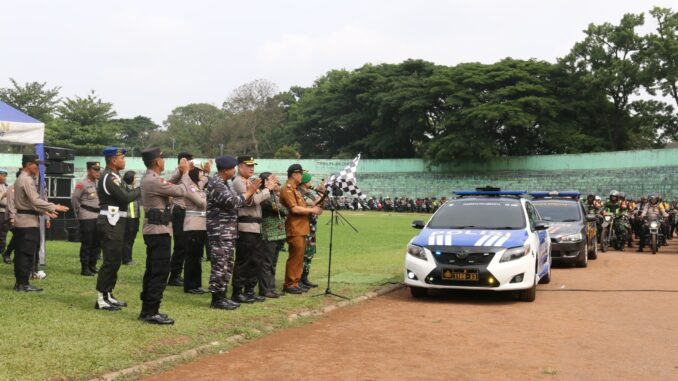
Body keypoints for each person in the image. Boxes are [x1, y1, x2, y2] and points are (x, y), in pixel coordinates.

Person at [139, 147, 190, 324]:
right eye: (162, 157)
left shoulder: (151, 179)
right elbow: (181, 191)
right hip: (159, 231)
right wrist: (185, 173)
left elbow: (168, 183)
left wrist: (179, 172)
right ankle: (151, 311)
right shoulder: (152, 181)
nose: (164, 160)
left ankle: (147, 309)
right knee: (159, 271)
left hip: (156, 230)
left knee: (153, 270)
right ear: (157, 161)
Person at [206, 156, 260, 310]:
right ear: (224, 170)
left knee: (227, 265)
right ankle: (216, 299)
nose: (234, 171)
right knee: (220, 265)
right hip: (219, 231)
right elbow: (232, 202)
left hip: (228, 230)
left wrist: (250, 193)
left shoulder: (225, 183)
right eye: (232, 168)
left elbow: (239, 201)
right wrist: (249, 192)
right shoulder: (216, 184)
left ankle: (222, 296)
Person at [13, 154, 69, 291]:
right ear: (28, 165)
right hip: (27, 223)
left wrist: (45, 212)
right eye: (36, 164)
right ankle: (22, 284)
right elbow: (35, 200)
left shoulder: (24, 178)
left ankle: (21, 283)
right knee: (26, 254)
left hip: (26, 219)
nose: (38, 167)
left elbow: (29, 203)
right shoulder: (26, 179)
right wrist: (54, 206)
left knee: (23, 253)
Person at [95, 148, 141, 311]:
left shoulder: (115, 176)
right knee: (110, 260)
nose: (124, 161)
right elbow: (125, 197)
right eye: (122, 158)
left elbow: (127, 194)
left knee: (115, 260)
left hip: (116, 221)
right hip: (110, 221)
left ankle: (108, 294)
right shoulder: (109, 177)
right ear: (113, 160)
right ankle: (101, 298)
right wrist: (142, 189)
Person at [231, 156, 278, 303]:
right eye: (248, 165)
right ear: (240, 167)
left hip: (255, 226)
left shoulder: (250, 182)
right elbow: (251, 201)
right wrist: (266, 190)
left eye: (253, 165)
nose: (252, 168)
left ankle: (249, 289)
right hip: (246, 225)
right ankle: (238, 291)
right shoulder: (238, 181)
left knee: (255, 260)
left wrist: (266, 190)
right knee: (244, 260)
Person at [279, 164, 322, 294]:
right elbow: (294, 209)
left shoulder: (294, 189)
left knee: (299, 257)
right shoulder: (287, 189)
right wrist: (312, 210)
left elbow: (305, 205)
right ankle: (290, 284)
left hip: (301, 227)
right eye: (301, 174)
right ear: (294, 174)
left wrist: (317, 203)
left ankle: (296, 282)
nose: (302, 176)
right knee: (295, 257)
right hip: (294, 227)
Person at [182, 160, 211, 295]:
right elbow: (201, 203)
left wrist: (206, 172)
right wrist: (208, 196)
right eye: (199, 171)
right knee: (192, 257)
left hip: (200, 225)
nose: (201, 174)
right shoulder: (190, 187)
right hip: (193, 225)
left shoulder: (197, 185)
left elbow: (204, 180)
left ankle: (196, 284)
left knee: (197, 256)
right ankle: (190, 285)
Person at [167, 152, 194, 287]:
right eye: (188, 161)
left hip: (187, 211)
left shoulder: (189, 173)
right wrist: (181, 170)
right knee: (180, 245)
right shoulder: (177, 173)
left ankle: (177, 273)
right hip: (179, 210)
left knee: (185, 246)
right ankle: (174, 276)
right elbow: (170, 183)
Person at [258, 172, 287, 298]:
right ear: (265, 181)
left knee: (273, 263)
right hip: (268, 232)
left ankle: (271, 287)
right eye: (272, 179)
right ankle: (264, 289)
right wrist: (281, 208)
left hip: (278, 232)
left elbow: (285, 210)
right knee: (266, 263)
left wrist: (281, 207)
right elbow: (279, 208)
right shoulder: (264, 195)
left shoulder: (274, 194)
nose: (275, 181)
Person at [71, 161, 102, 276]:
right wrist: (78, 213)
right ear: (89, 170)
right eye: (95, 170)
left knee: (97, 242)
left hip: (98, 216)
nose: (97, 172)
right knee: (87, 242)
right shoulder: (82, 184)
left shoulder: (99, 183)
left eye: (98, 170)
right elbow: (74, 199)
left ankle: (92, 265)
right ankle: (85, 268)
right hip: (86, 216)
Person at [299, 172, 325, 289]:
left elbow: (318, 207)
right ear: (305, 181)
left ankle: (305, 277)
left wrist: (322, 197)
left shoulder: (309, 193)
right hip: (304, 226)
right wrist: (322, 194)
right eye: (309, 180)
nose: (311, 182)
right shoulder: (299, 193)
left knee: (309, 253)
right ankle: (298, 278)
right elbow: (313, 204)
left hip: (312, 227)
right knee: (301, 254)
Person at [121, 171, 140, 265]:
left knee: (131, 239)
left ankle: (129, 258)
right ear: (131, 178)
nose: (136, 179)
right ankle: (126, 260)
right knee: (128, 239)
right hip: (129, 218)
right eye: (135, 178)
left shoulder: (133, 188)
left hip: (135, 217)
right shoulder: (125, 189)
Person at [0, 168, 9, 263]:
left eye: (5, 175)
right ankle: (4, 253)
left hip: (8, 213)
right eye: (3, 175)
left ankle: (6, 252)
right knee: (1, 235)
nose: (5, 177)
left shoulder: (6, 186)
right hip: (1, 213)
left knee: (3, 234)